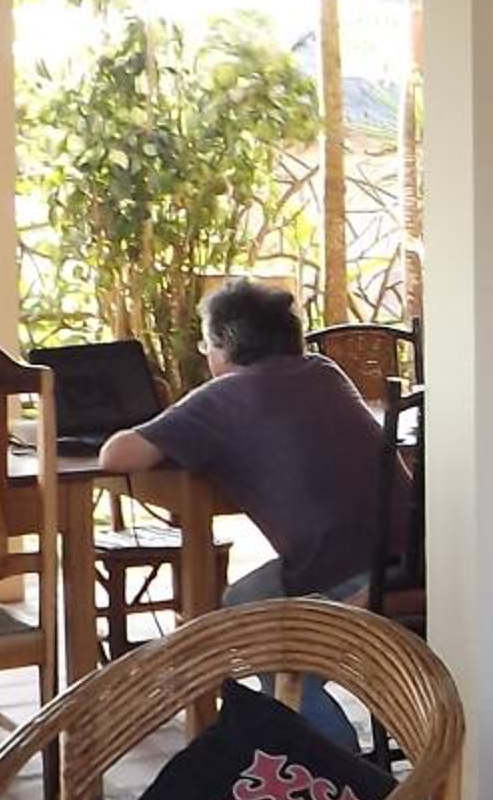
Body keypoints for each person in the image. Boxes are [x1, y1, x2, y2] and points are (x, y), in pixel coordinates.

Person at [100, 279, 401, 745]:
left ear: (224, 346)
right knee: (247, 595)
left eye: (206, 343)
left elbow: (115, 456)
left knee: (255, 632)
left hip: (354, 577)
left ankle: (332, 757)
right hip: (411, 560)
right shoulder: (324, 371)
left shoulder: (223, 397)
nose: (205, 353)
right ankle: (292, 724)